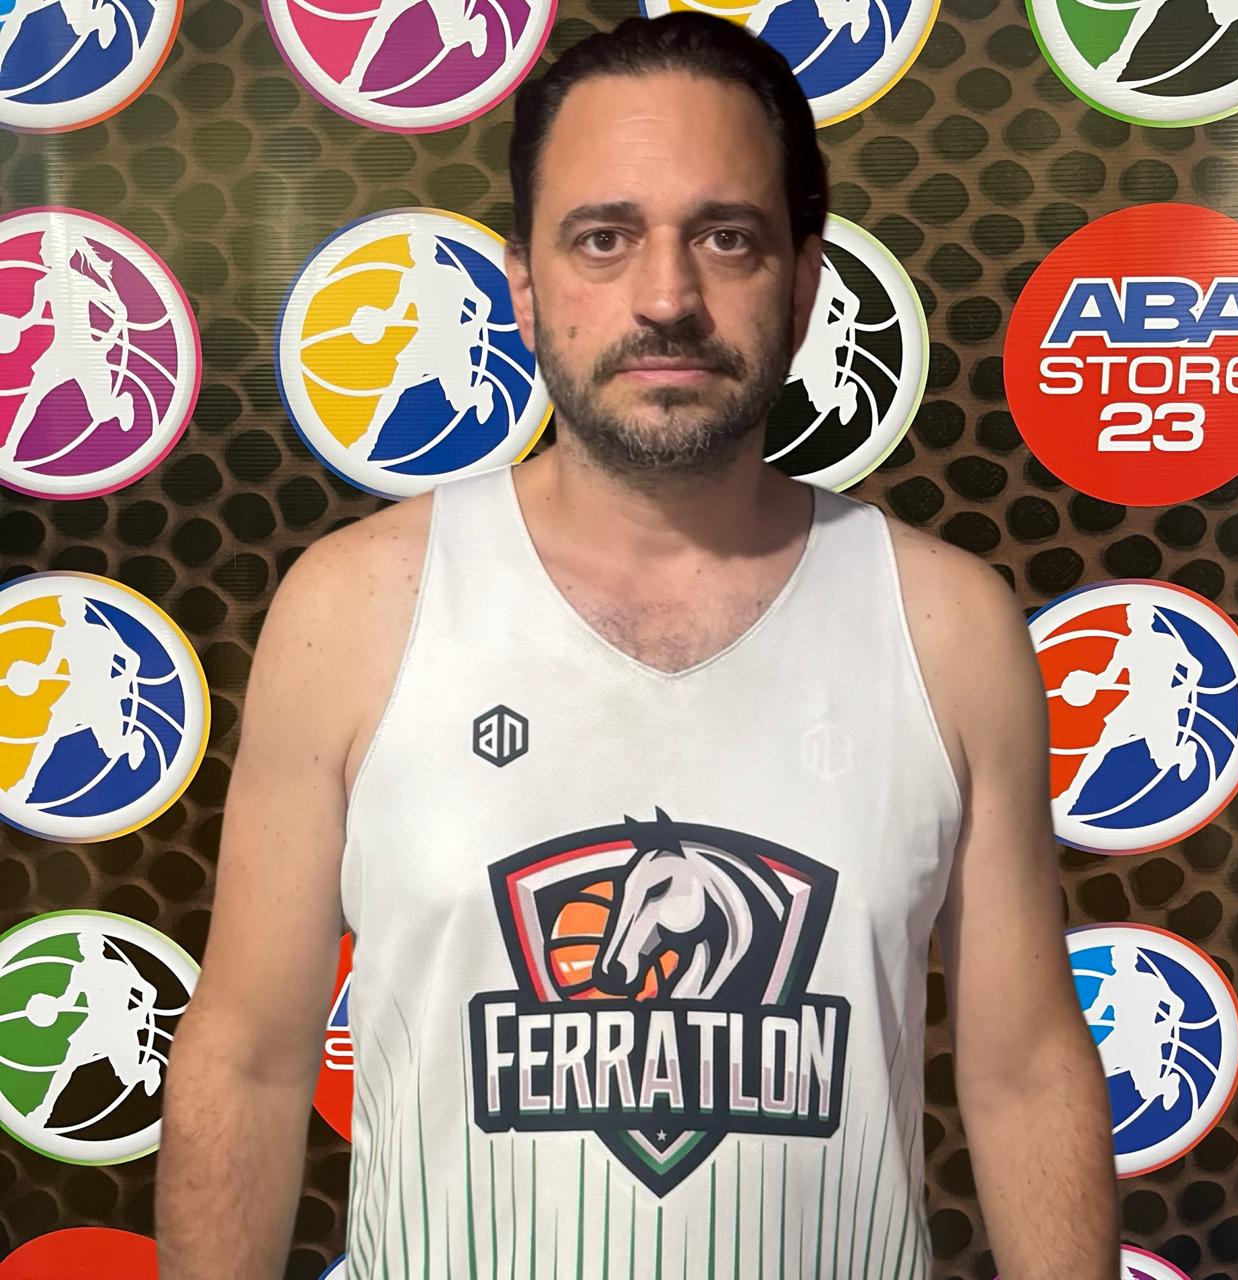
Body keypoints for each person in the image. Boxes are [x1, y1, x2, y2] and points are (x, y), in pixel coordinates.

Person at [155, 12, 1119, 1279]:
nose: (665, 298)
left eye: (724, 236)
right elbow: (248, 1054)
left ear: (804, 280)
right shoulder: (353, 608)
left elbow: (1023, 1067)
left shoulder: (946, 624)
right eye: (602, 238)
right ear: (521, 284)